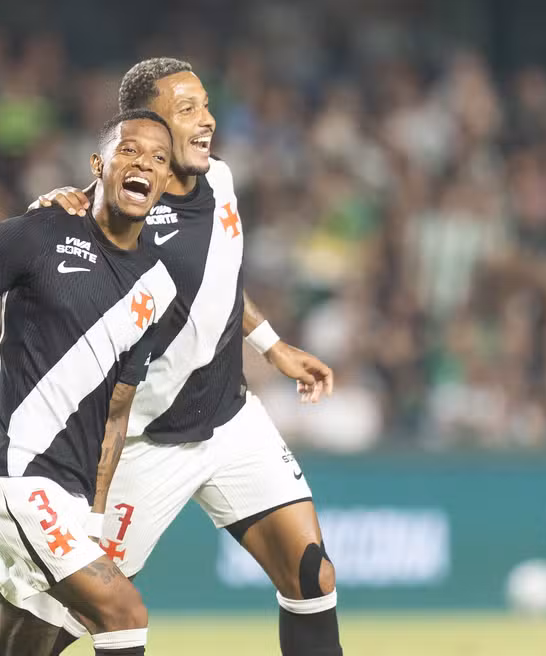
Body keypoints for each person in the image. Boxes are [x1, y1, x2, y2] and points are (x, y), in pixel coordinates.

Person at [36, 58, 343, 656]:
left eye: (205, 105)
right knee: (39, 638)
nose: (207, 120)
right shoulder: (114, 214)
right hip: (143, 443)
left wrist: (272, 345)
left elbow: (217, 279)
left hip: (231, 420)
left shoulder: (220, 178)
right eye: (187, 110)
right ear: (148, 126)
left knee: (312, 574)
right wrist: (56, 209)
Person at [0, 109, 178, 656]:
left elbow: (117, 413)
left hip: (70, 493)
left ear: (166, 181)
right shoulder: (38, 232)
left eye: (159, 158)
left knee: (20, 652)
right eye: (129, 150)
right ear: (99, 164)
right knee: (123, 612)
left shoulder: (158, 288)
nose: (144, 163)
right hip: (13, 476)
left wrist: (93, 516)